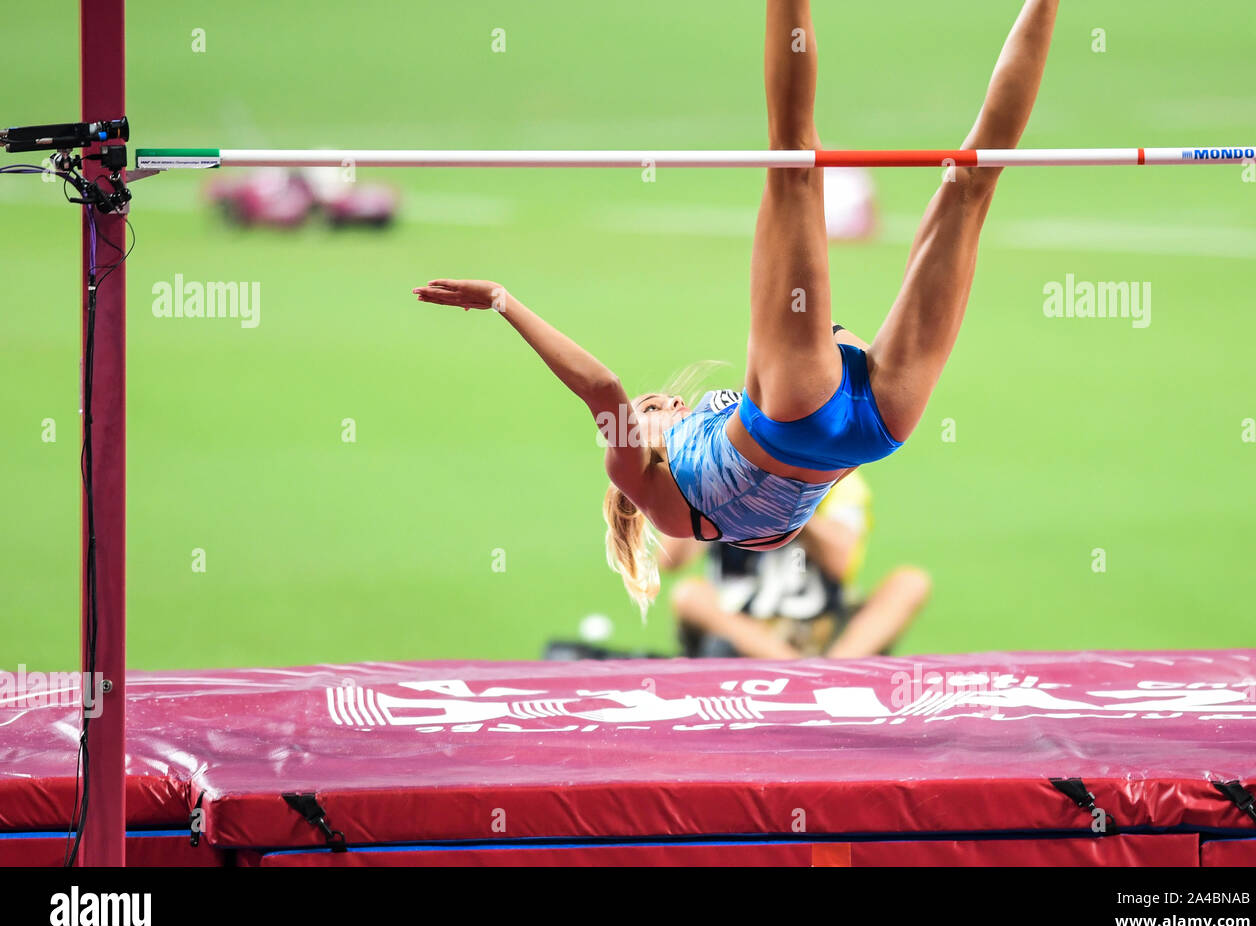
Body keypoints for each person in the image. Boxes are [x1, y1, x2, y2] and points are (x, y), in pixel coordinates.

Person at [414, 0, 1058, 616]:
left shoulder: (735, 516)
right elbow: (603, 388)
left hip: (875, 423)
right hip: (818, 411)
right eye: (649, 409)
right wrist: (503, 301)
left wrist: (835, 354)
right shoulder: (647, 485)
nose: (660, 401)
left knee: (974, 177)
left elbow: (822, 467)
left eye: (658, 401)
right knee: (793, 159)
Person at [660, 472, 931, 659]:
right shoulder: (722, 479)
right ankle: (799, 669)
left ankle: (837, 667)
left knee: (909, 583)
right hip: (745, 627)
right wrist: (705, 491)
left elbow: (840, 561)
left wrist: (791, 506)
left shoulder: (839, 478)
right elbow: (670, 561)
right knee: (689, 595)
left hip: (823, 625)